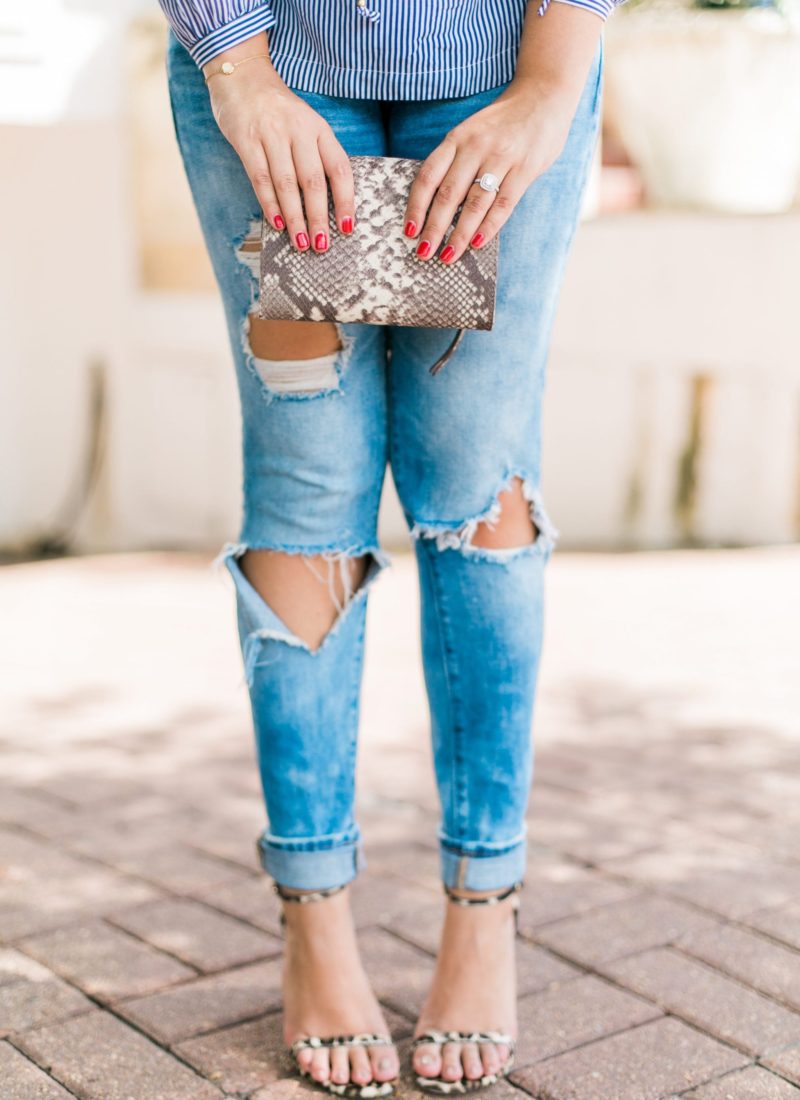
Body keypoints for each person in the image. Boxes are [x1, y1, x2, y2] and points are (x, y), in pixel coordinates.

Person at [160, 0, 617, 1094]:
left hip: (504, 67)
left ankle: (483, 907)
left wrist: (550, 85)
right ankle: (312, 913)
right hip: (274, 66)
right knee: (304, 490)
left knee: (477, 492)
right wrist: (234, 63)